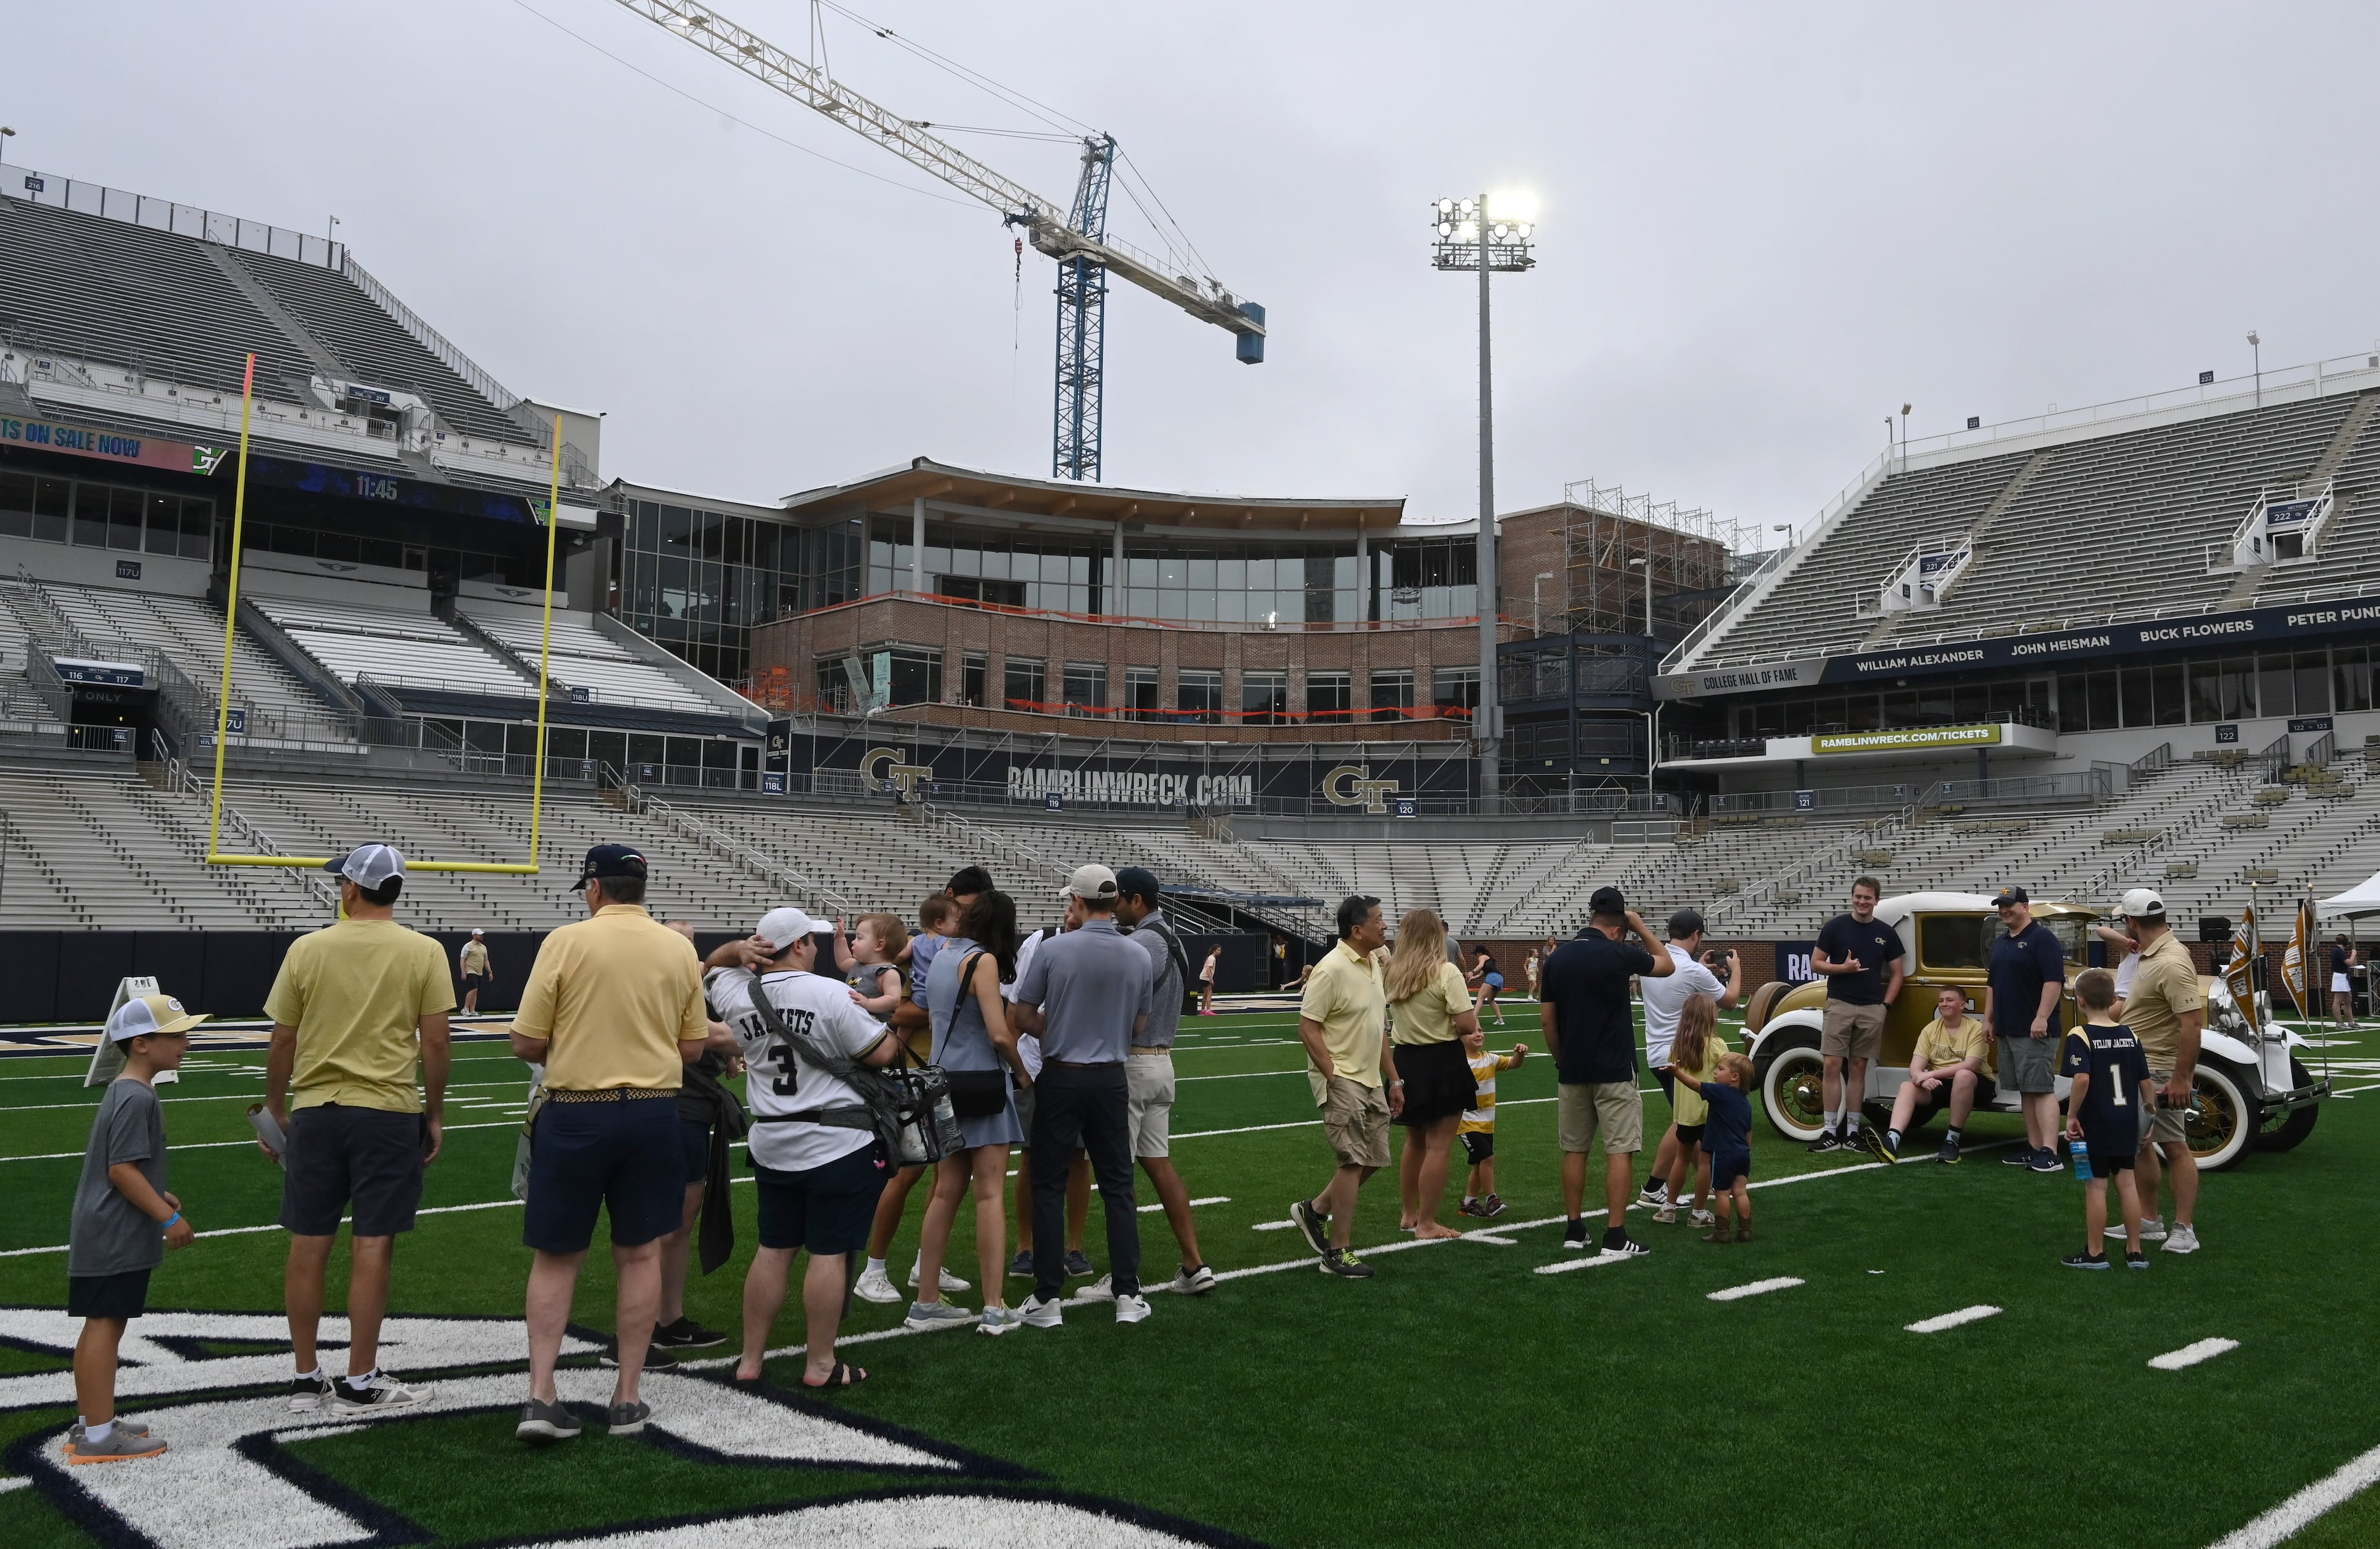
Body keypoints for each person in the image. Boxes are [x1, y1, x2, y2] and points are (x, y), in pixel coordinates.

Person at [508, 845, 710, 1445]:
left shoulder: (566, 942)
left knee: (556, 1255)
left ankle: (543, 1393)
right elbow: (694, 1046)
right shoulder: (678, 947)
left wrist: (577, 1045)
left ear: (595, 888)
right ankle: (627, 1395)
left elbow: (524, 1040)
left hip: (574, 1111)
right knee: (641, 1253)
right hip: (652, 1112)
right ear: (640, 888)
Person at [261, 843, 453, 1415]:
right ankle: (361, 1377)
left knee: (308, 1241)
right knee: (373, 1243)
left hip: (318, 1110)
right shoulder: (424, 951)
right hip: (389, 1111)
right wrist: (435, 1114)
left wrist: (275, 1108)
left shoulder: (308, 948)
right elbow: (437, 1043)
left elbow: (282, 1040)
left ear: (351, 888)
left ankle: (304, 1377)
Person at [704, 908, 900, 1386]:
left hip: (772, 1139)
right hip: (837, 1139)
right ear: (797, 946)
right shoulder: (829, 991)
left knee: (773, 1249)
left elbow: (712, 968)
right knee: (828, 1253)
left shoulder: (738, 993)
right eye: (810, 942)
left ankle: (751, 1360)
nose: (816, 949)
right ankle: (820, 1364)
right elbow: (880, 1053)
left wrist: (738, 950)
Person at [1011, 864, 1156, 1327]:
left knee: (1049, 1183)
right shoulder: (1138, 955)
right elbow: (1138, 1025)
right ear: (1114, 902)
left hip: (1062, 1073)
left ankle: (1047, 1297)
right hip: (1111, 1076)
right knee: (1118, 1185)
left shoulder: (1054, 949)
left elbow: (1020, 1013)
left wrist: (1055, 1030)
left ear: (1077, 901)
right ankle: (1127, 1294)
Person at [65, 994, 203, 1463]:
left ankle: (92, 1421)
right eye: (177, 1035)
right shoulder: (136, 1095)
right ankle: (100, 1438)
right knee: (107, 1324)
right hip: (115, 1232)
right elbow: (121, 1171)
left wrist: (157, 1194)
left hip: (104, 1226)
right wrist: (168, 1218)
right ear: (142, 1044)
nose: (186, 1043)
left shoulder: (127, 1089)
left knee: (100, 1324)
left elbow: (122, 1166)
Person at [910, 890, 1033, 1335]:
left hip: (943, 1082)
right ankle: (993, 1305)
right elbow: (1000, 1034)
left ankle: (925, 1301)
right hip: (980, 1082)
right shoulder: (982, 961)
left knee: (945, 1192)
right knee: (990, 1195)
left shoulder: (943, 951)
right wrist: (1023, 1074)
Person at [1538, 885, 1674, 1255]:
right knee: (1619, 1151)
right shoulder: (1620, 952)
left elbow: (1548, 1022)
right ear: (1618, 927)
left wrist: (1561, 1059)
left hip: (1574, 1067)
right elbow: (1667, 964)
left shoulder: (1557, 959)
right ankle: (1615, 1235)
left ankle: (1574, 1229)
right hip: (1614, 1066)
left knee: (1574, 1150)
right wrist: (1642, 928)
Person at [853, 895, 972, 1305]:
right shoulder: (918, 950)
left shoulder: (954, 950)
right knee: (905, 1173)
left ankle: (928, 1263)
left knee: (947, 1176)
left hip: (940, 1069)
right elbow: (898, 1011)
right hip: (911, 1072)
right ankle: (874, 1269)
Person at [1114, 867, 1217, 1294]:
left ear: (1137, 900)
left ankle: (1125, 1279)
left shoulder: (1140, 943)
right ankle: (1194, 1264)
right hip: (1163, 1062)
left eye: (1118, 898)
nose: (1114, 906)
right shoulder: (1175, 942)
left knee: (1120, 1176)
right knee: (1158, 1162)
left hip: (1134, 1063)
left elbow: (1119, 1003)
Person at [647, 921, 741, 1365]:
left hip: (689, 1106)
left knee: (679, 1221)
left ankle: (669, 1318)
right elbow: (705, 1035)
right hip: (672, 1106)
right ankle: (649, 1324)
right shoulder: (663, 982)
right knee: (665, 1222)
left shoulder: (683, 981)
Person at [1289, 895, 1395, 1279]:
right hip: (1344, 1077)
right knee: (1351, 1160)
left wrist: (1394, 1078)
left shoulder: (1373, 964)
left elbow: (1379, 1027)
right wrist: (1333, 1074)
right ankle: (1338, 1252)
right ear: (1357, 929)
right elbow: (1308, 1026)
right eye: (1379, 920)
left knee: (1375, 1158)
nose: (1385, 925)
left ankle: (1314, 1210)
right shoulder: (1331, 968)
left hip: (1370, 1080)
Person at [1003, 906, 1095, 1285]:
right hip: (1037, 1066)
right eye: (1071, 906)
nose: (1073, 914)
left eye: (1080, 907)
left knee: (1077, 1159)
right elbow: (1015, 1006)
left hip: (1080, 1067)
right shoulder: (1039, 941)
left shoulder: (1103, 948)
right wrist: (1015, 1068)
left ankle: (1073, 1247)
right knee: (1030, 1157)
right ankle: (1025, 1247)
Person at [2116, 887, 2205, 1255]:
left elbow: (2193, 1024)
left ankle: (2184, 1228)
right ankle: (2150, 1220)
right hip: (2140, 1064)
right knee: (2140, 1144)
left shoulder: (2170, 960)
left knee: (2174, 1144)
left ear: (2132, 922)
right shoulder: (2158, 955)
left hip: (2157, 1066)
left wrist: (2181, 1077)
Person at [1636, 910, 1743, 1211]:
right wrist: (1736, 969)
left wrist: (1700, 967)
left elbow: (1677, 982)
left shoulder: (1654, 962)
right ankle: (1655, 1187)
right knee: (1685, 1124)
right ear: (1697, 935)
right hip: (1685, 1056)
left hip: (1658, 1051)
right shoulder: (1694, 971)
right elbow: (1731, 1001)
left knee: (1692, 1124)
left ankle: (1704, 1181)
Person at [1385, 909, 1480, 1240]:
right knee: (1439, 1147)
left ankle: (1409, 1214)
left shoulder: (1393, 972)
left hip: (1405, 1061)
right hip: (1442, 1060)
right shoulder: (1446, 972)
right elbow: (1467, 1024)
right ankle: (1426, 1223)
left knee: (1414, 1142)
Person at [2060, 968, 2154, 1271]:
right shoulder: (2130, 1034)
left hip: (2096, 1122)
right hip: (2126, 1121)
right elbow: (2146, 1082)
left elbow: (2082, 1079)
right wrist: (2149, 1118)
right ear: (2114, 999)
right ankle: (2135, 1252)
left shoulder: (2080, 1035)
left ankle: (2096, 1253)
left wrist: (2072, 1115)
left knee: (2096, 1187)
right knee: (2127, 1184)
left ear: (2080, 1000)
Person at [1809, 877, 1903, 1154]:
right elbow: (1816, 963)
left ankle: (1852, 1132)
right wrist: (1844, 969)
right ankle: (1829, 1132)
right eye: (1859, 896)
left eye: (1868, 897)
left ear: (1877, 900)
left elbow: (1898, 974)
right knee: (1831, 1066)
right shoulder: (1836, 927)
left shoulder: (1886, 932)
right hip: (1839, 1003)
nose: (1863, 902)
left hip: (1872, 1008)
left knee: (1859, 1068)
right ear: (1852, 897)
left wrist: (1885, 1006)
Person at [1983, 886, 2067, 1174]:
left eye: (2009, 905)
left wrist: (2042, 1017)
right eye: (2000, 906)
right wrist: (1988, 1019)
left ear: (2025, 906)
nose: (2004, 910)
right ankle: (2034, 1147)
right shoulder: (2002, 942)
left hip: (2035, 1030)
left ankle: (2051, 1152)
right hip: (2009, 1028)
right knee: (2026, 1091)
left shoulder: (2042, 939)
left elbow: (2054, 980)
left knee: (2041, 1089)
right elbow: (1993, 984)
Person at [1867, 986, 1990, 1165]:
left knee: (1963, 1075)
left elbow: (1971, 1065)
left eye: (1949, 1000)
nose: (1944, 1004)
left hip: (1976, 1085)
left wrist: (1930, 1074)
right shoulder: (1930, 1030)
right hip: (1939, 1085)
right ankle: (1891, 1142)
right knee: (1907, 1086)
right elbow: (1915, 1068)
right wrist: (1920, 1078)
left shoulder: (1976, 1028)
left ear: (1963, 1005)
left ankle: (1952, 1143)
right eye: (1941, 1001)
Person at [1654, 993, 1726, 1229]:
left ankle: (1670, 1207)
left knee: (1682, 1159)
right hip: (1708, 1114)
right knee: (1705, 1163)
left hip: (1684, 1115)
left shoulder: (1678, 1047)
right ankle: (1699, 1212)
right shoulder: (1716, 1046)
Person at [1686, 1053, 1758, 1244]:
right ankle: (1745, 1230)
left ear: (1735, 1077)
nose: (1716, 1072)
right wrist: (1746, 1149)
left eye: (1720, 1069)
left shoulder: (1721, 1092)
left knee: (1722, 1192)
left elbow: (1696, 1085)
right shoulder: (1746, 1103)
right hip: (1742, 1153)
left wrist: (1677, 1072)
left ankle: (1722, 1231)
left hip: (1723, 1153)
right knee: (1741, 1191)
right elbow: (1748, 1131)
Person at [1457, 1029, 1526, 1218]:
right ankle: (1492, 1200)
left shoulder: (1489, 1058)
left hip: (1487, 1123)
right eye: (1471, 1032)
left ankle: (1469, 1203)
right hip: (1467, 1123)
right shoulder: (1459, 1064)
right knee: (1487, 1158)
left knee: (1480, 1164)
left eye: (1480, 1030)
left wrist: (1519, 1055)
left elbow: (1513, 1064)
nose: (1478, 1034)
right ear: (1459, 1038)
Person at [459, 929, 492, 1015]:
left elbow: (486, 960)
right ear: (474, 936)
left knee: (475, 990)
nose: (481, 936)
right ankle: (465, 1008)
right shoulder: (468, 946)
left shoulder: (483, 947)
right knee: (474, 988)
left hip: (479, 971)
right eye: (479, 935)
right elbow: (462, 959)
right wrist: (463, 972)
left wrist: (490, 972)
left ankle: (472, 1010)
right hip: (470, 970)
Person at [1473, 950, 1507, 1027]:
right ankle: (1500, 1020)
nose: (1478, 958)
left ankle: (1473, 1019)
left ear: (1479, 953)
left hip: (1492, 977)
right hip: (1499, 978)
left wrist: (1472, 971)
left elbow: (1480, 965)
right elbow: (1480, 975)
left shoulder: (1482, 956)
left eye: (1476, 955)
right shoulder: (1489, 963)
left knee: (1480, 998)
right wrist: (1472, 977)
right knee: (1491, 999)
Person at [2330, 935, 2358, 1029]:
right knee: (2338, 1001)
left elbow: (2348, 963)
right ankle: (2339, 1023)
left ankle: (2351, 1022)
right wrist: (2353, 954)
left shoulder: (2340, 952)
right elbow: (2349, 962)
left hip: (2344, 977)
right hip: (2340, 978)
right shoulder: (2338, 951)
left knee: (2348, 1001)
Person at [1198, 945, 1220, 1016]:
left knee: (1205, 994)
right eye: (1218, 950)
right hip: (1206, 977)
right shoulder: (1212, 958)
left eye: (1220, 950)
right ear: (1214, 951)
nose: (1219, 952)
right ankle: (1208, 1010)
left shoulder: (1210, 958)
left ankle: (1203, 1010)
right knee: (1209, 993)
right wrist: (1211, 979)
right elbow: (1208, 969)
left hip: (1203, 977)